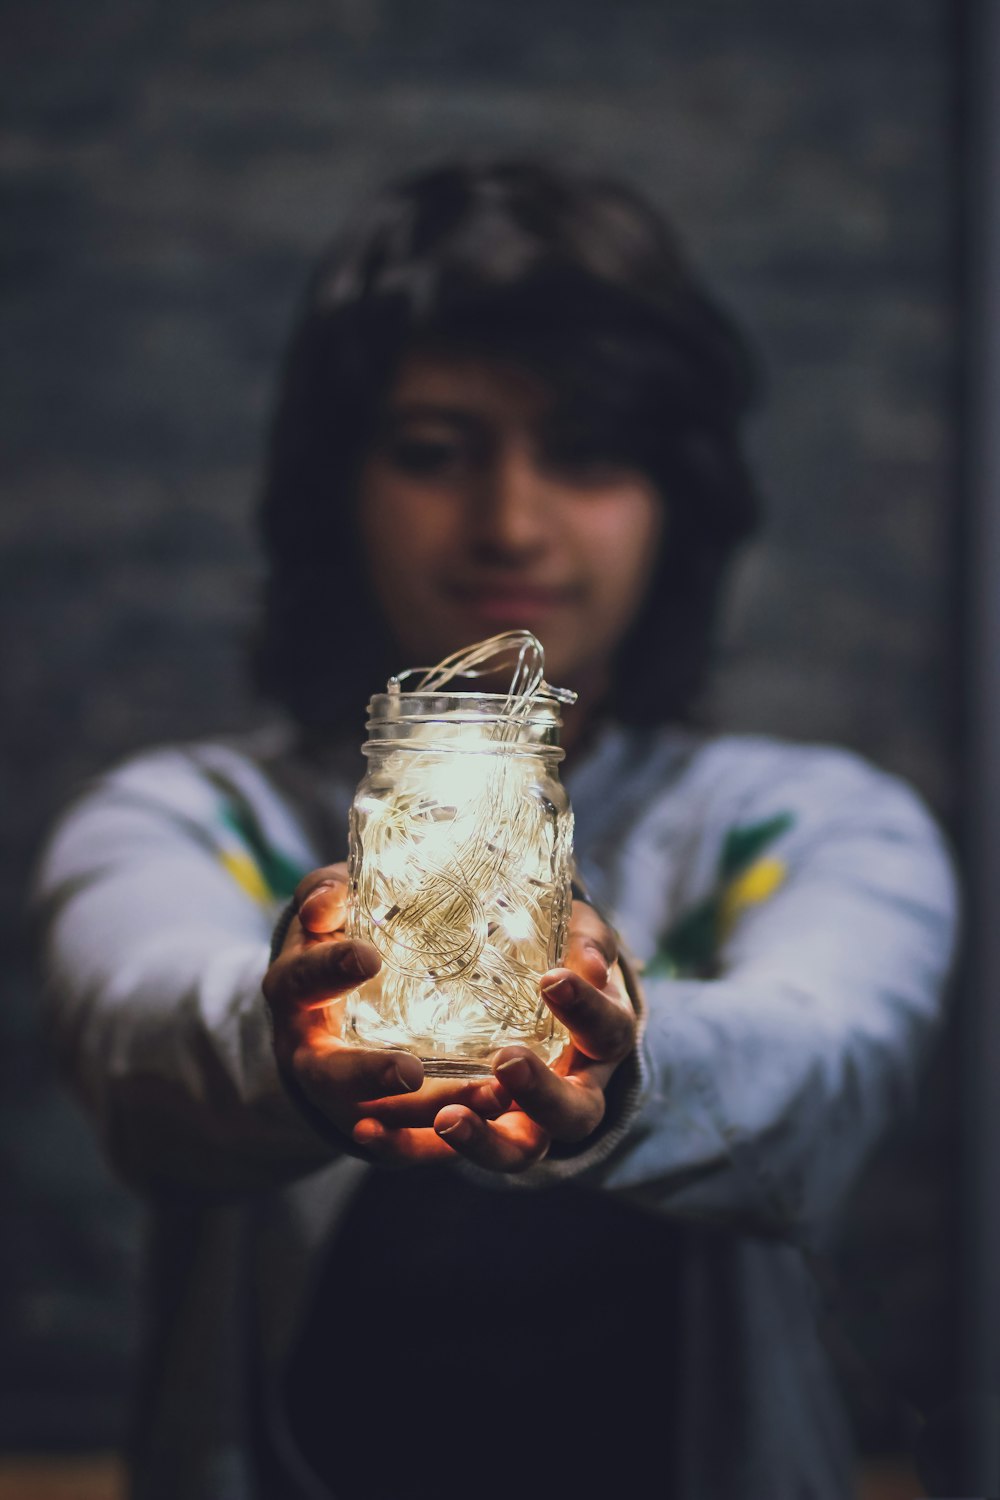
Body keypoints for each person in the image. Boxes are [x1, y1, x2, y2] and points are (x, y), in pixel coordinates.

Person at [35, 158, 958, 1499]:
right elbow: (143, 1038)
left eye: (585, 451)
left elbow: (822, 1069)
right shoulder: (187, 821)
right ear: (337, 486)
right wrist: (284, 1039)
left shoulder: (814, 826)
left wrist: (620, 1058)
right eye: (434, 452)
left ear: (672, 496)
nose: (510, 521)